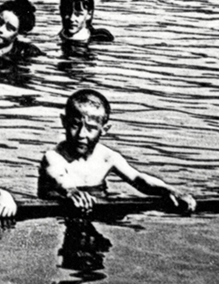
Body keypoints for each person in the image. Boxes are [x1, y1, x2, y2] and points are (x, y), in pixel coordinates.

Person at [38, 88, 196, 214]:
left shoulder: (108, 157)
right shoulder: (53, 156)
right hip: (58, 210)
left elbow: (138, 179)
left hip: (95, 206)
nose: (81, 134)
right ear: (64, 122)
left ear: (104, 129)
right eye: (74, 125)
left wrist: (170, 190)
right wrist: (71, 192)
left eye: (91, 128)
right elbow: (59, 179)